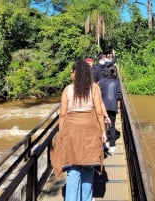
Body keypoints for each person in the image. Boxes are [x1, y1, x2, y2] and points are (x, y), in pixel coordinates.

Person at [51, 59, 107, 201]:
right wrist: (103, 132)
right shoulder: (94, 88)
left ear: (76, 73)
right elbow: (99, 112)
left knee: (73, 169)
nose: (70, 74)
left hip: (72, 131)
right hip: (90, 130)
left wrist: (61, 134)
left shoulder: (68, 90)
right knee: (88, 167)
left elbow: (63, 114)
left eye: (72, 71)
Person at [98, 66, 122, 154]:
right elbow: (119, 95)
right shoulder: (117, 82)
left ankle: (105, 144)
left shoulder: (101, 81)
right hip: (113, 106)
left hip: (103, 106)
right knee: (112, 126)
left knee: (102, 124)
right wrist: (118, 107)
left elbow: (98, 93)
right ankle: (112, 145)